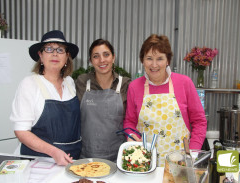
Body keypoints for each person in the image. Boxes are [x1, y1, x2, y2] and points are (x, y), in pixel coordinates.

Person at [123, 34, 207, 167]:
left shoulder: (184, 83)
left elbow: (199, 121)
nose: (154, 65)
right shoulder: (134, 87)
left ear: (167, 60)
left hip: (180, 163)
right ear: (142, 60)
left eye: (160, 58)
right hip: (144, 162)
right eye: (149, 58)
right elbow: (130, 121)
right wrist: (131, 135)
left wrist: (192, 152)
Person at [10, 30, 82, 166]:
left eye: (60, 50)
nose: (55, 54)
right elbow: (21, 131)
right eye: (49, 49)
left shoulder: (70, 83)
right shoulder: (29, 84)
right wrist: (54, 152)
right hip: (38, 162)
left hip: (71, 161)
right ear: (40, 55)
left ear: (67, 56)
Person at [75, 39, 131, 162]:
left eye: (106, 54)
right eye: (96, 56)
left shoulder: (126, 84)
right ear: (91, 61)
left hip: (119, 158)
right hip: (86, 158)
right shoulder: (82, 82)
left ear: (113, 57)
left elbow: (131, 120)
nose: (102, 60)